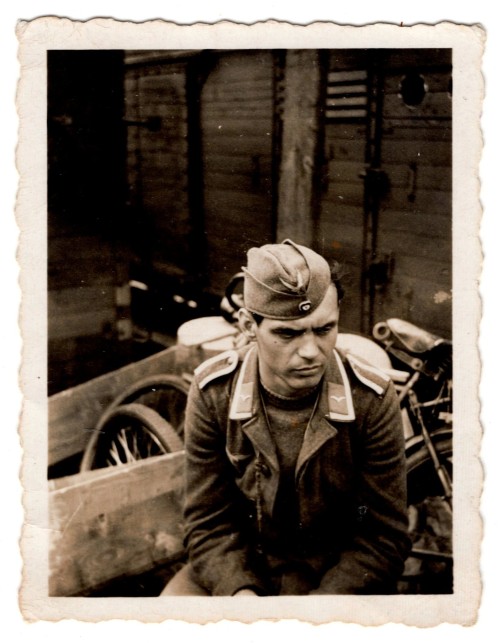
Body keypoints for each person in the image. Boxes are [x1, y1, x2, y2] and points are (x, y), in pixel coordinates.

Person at [162, 239, 410, 596]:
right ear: (250, 326)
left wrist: (319, 609)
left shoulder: (370, 400)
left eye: (324, 329)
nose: (311, 352)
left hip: (335, 579)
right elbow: (207, 523)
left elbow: (383, 537)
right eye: (287, 333)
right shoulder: (213, 392)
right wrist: (238, 593)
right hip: (242, 567)